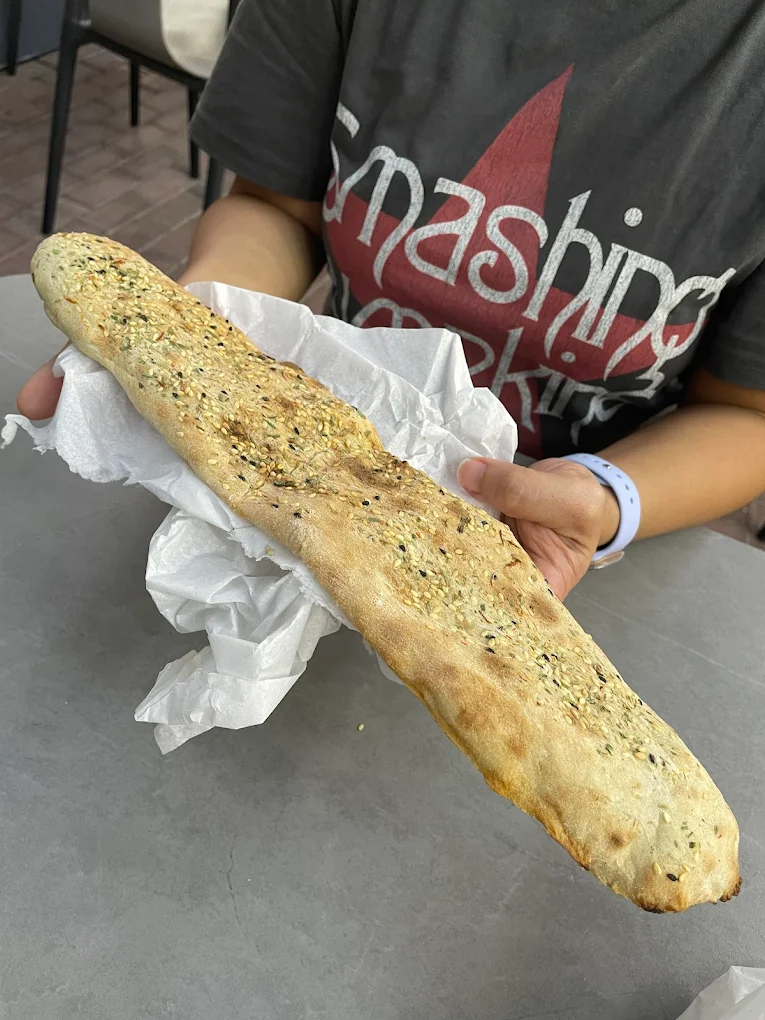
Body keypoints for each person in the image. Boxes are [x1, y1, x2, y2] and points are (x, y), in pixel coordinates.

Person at [18, 0, 765, 599]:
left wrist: (603, 498)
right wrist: (195, 333)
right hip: (313, 469)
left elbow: (746, 414)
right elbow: (275, 209)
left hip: (591, 547)